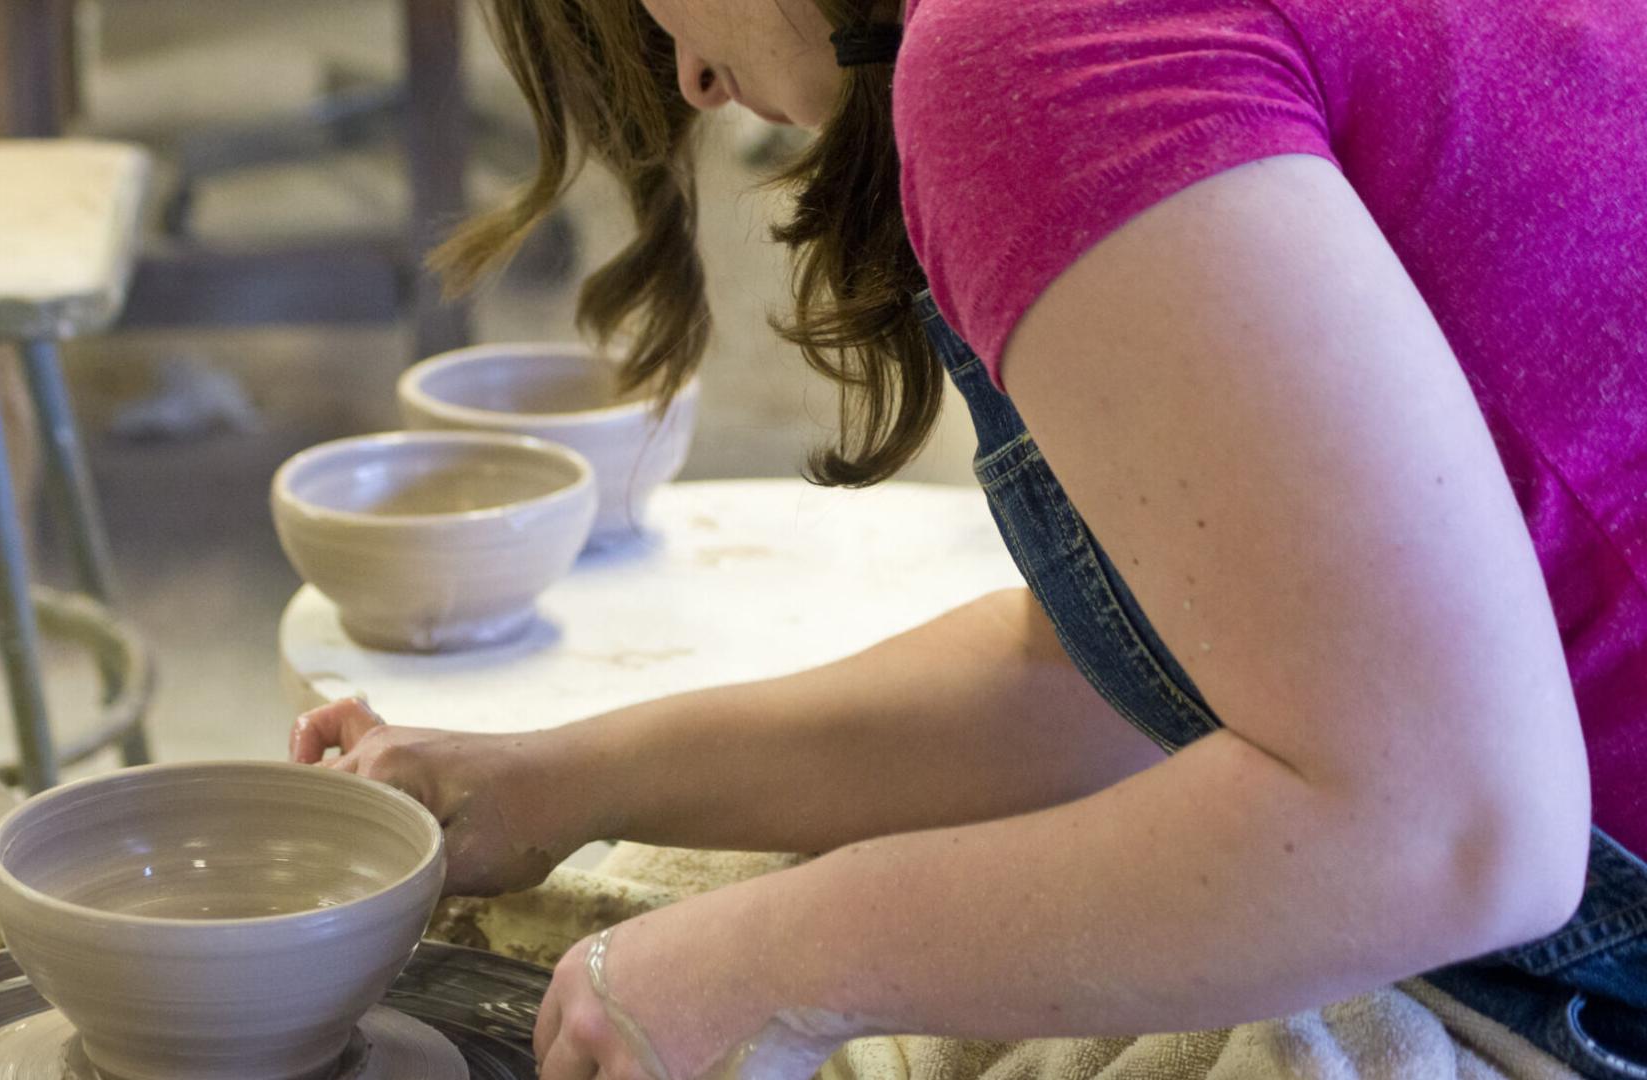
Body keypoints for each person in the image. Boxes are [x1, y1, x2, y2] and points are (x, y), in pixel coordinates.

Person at [290, 0, 1647, 1073]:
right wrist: (561, 784)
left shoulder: (1033, 45)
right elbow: (1161, 671)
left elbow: (1446, 830)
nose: (691, 83)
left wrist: (776, 963)